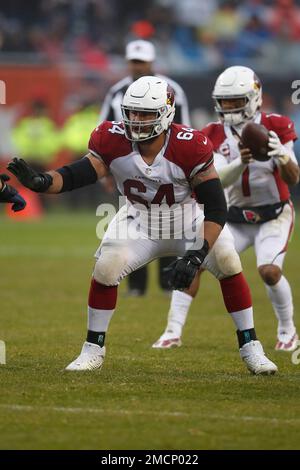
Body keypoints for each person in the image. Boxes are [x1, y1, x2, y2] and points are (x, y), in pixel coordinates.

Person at [8, 75, 277, 375]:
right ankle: (92, 349)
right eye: (132, 112)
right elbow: (77, 175)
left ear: (166, 113)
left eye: (146, 114)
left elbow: (216, 207)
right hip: (139, 220)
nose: (136, 120)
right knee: (106, 267)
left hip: (188, 219)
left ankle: (251, 345)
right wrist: (42, 182)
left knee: (228, 261)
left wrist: (197, 254)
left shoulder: (189, 145)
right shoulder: (111, 138)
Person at [153, 66, 299, 352]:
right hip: (232, 216)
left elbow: (293, 178)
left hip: (273, 215)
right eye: (225, 101)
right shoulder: (210, 133)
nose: (229, 107)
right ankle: (172, 331)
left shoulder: (277, 125)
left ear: (255, 97)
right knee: (193, 262)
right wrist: (242, 162)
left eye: (236, 101)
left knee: (269, 271)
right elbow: (217, 180)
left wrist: (281, 154)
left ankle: (288, 330)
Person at [100, 39, 190, 296]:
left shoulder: (172, 89)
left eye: (142, 61)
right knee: (133, 222)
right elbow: (105, 129)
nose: (137, 66)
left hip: (167, 164)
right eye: (134, 61)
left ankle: (167, 283)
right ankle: (136, 286)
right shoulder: (116, 92)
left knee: (170, 221)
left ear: (151, 62)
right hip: (128, 165)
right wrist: (105, 170)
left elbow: (185, 128)